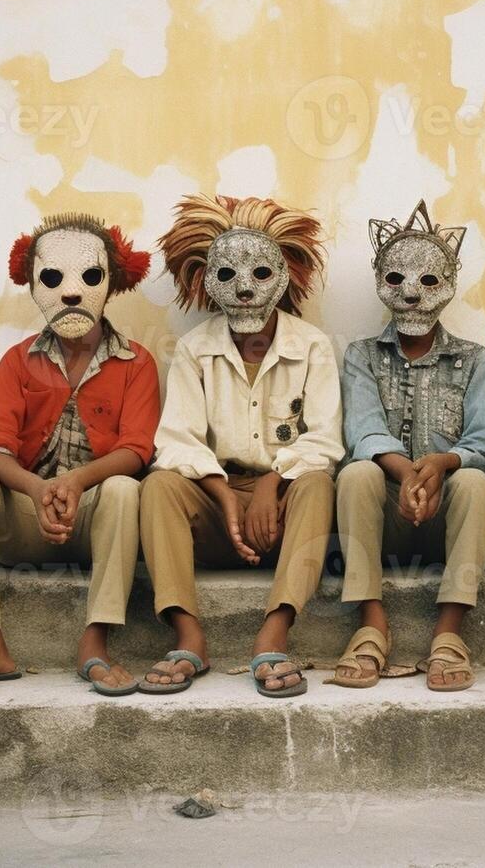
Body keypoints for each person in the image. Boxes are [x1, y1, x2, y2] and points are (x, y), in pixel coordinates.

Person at [0, 213, 157, 696]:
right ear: (32, 284)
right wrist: (38, 487)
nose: (71, 292)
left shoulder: (138, 362)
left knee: (122, 487)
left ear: (111, 283)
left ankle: (95, 641)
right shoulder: (17, 360)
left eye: (89, 277)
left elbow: (138, 449)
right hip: (27, 521)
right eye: (53, 278)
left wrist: (76, 482)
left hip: (96, 524)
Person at [140, 194, 342, 697]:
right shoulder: (193, 348)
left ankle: (274, 632)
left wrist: (274, 481)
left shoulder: (312, 345)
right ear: (206, 281)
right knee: (159, 485)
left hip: (285, 509)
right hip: (216, 506)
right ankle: (189, 635)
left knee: (317, 483)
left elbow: (325, 440)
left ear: (284, 275)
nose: (246, 290)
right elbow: (176, 441)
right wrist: (226, 496)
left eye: (260, 273)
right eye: (228, 275)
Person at [333, 201, 485, 692]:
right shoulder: (360, 354)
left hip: (445, 516)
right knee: (357, 471)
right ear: (380, 280)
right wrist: (405, 474)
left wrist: (445, 463)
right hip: (384, 513)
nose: (410, 293)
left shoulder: (474, 360)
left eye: (428, 281)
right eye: (397, 279)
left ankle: (449, 633)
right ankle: (371, 623)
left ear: (449, 285)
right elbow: (361, 431)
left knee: (473, 479)